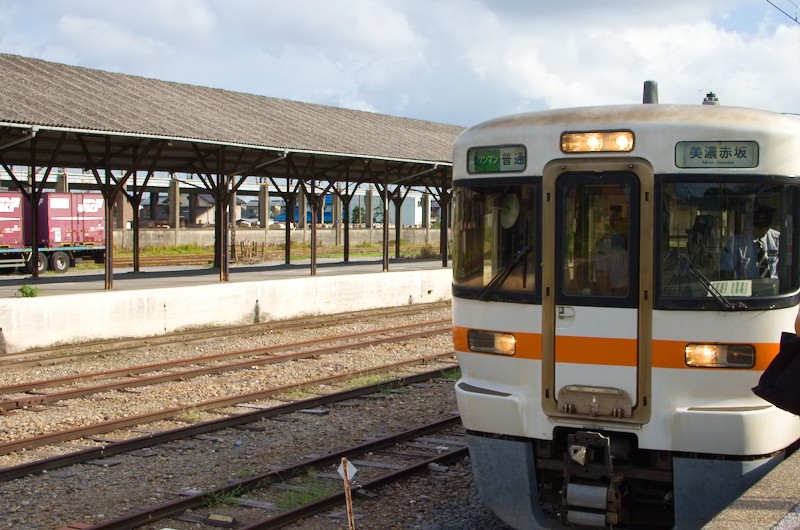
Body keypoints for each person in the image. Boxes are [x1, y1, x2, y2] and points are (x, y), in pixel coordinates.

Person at [720, 206, 779, 280]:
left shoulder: (778, 240)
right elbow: (726, 271)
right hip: (747, 289)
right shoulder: (736, 243)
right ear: (750, 224)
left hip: (774, 289)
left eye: (766, 227)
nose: (763, 230)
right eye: (758, 227)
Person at [593, 207, 629, 295]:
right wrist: (611, 299)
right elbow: (602, 277)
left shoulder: (629, 241)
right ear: (616, 222)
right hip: (617, 294)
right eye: (624, 220)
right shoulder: (605, 245)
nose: (628, 224)